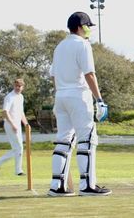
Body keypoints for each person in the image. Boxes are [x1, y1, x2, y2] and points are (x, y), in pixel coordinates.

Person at [48, 11, 111, 197]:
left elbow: (53, 74)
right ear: (80, 27)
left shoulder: (59, 46)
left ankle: (57, 186)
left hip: (61, 96)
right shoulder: (82, 45)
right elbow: (89, 74)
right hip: (78, 96)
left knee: (64, 140)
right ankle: (87, 185)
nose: (89, 30)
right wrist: (99, 99)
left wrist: (61, 92)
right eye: (87, 26)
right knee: (87, 139)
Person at [0, 78, 29, 176]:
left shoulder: (21, 97)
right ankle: (18, 171)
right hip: (10, 124)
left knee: (17, 148)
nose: (18, 88)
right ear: (14, 86)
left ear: (22, 87)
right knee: (19, 148)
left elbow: (21, 112)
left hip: (17, 125)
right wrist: (13, 124)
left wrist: (26, 124)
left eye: (20, 86)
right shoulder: (10, 97)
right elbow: (5, 112)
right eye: (16, 86)